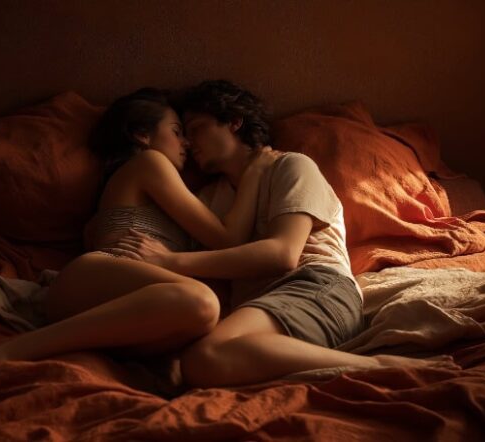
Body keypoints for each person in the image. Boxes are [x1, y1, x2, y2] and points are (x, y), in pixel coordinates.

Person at [0, 88, 278, 364]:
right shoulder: (149, 162)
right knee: (202, 303)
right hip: (95, 276)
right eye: (176, 131)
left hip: (122, 304)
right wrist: (255, 172)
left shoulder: (148, 182)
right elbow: (227, 238)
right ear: (142, 135)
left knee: (203, 321)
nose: (186, 144)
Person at [114, 80, 460, 387]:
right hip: (255, 309)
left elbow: (282, 254)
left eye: (197, 127)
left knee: (206, 356)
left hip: (316, 286)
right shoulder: (208, 199)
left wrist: (171, 261)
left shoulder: (290, 166)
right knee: (198, 363)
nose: (189, 141)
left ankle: (379, 366)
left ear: (234, 122)